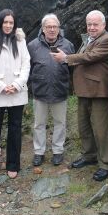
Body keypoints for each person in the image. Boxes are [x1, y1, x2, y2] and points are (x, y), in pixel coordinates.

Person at [51, 10, 108, 181]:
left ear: (104, 25)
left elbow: (89, 57)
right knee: (84, 127)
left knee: (102, 130)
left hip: (99, 92)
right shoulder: (89, 39)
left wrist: (66, 58)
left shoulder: (107, 40)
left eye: (95, 24)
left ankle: (107, 163)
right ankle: (89, 156)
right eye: (89, 24)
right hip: (83, 91)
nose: (92, 27)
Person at [0, 9, 31, 178]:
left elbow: (26, 64)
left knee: (15, 129)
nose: (8, 25)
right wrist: (0, 86)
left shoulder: (20, 40)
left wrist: (17, 84)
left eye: (11, 22)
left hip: (17, 91)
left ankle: (13, 164)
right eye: (5, 22)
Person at [28, 14, 75, 167]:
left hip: (59, 90)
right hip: (40, 92)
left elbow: (72, 67)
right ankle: (39, 152)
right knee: (39, 124)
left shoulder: (68, 45)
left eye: (55, 26)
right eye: (48, 27)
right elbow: (27, 68)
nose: (52, 29)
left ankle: (57, 151)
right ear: (43, 29)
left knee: (60, 123)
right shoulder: (33, 45)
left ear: (59, 28)